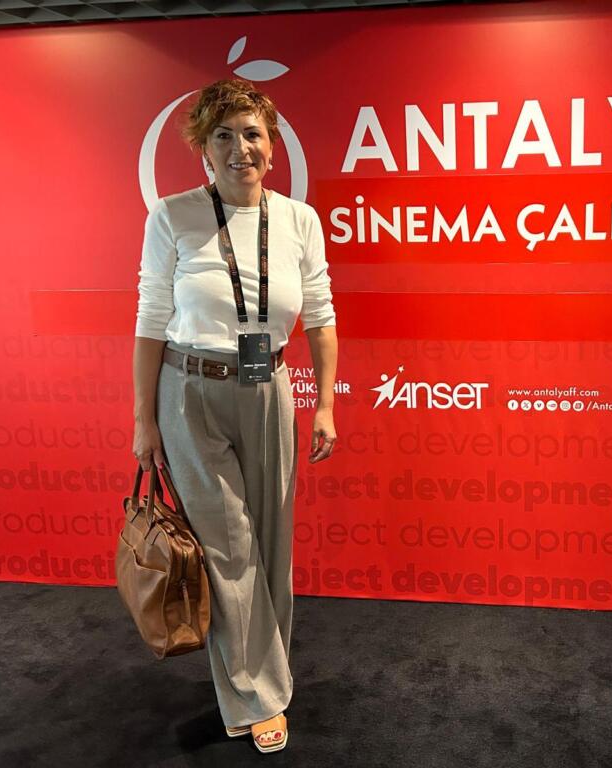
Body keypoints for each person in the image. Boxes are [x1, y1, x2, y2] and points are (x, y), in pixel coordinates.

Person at [131, 78, 338, 755]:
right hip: (189, 392)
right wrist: (143, 418)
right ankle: (256, 695)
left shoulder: (299, 220)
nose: (239, 148)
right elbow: (151, 318)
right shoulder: (172, 216)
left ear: (272, 147)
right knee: (228, 547)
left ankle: (264, 671)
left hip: (268, 386)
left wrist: (325, 404)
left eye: (252, 134)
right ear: (204, 147)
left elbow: (321, 315)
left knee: (271, 542)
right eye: (224, 135)